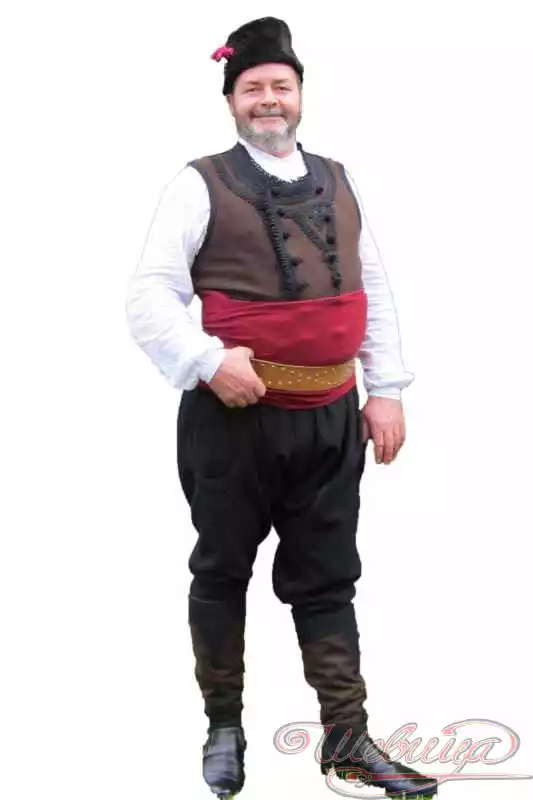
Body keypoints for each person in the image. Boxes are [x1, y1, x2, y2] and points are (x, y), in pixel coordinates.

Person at [126, 16, 437, 799]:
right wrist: (207, 361)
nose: (268, 99)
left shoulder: (339, 178)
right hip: (232, 423)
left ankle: (347, 740)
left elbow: (371, 287)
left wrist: (385, 389)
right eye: (252, 88)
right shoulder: (197, 183)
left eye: (281, 86)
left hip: (330, 418)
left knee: (328, 578)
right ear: (230, 100)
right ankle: (223, 728)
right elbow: (148, 297)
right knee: (222, 569)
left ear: (300, 94)